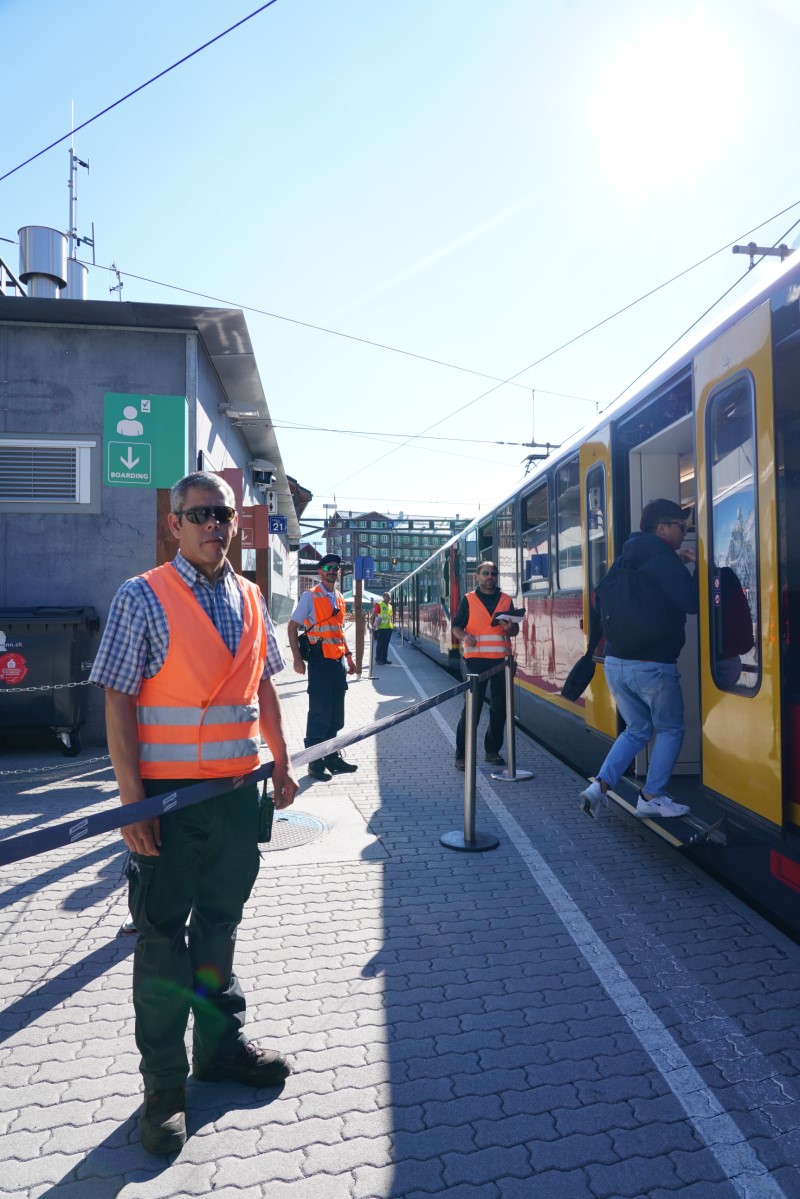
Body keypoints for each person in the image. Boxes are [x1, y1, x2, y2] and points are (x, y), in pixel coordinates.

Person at [89, 472, 299, 1157]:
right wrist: (132, 802)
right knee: (160, 941)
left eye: (225, 516)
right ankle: (163, 1088)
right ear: (174, 523)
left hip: (237, 798)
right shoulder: (142, 595)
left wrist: (283, 760)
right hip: (169, 802)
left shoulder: (249, 595)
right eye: (202, 514)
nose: (216, 525)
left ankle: (219, 1051)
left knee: (219, 930)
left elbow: (261, 684)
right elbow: (118, 699)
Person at [580, 498, 698, 821]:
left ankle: (600, 786)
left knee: (637, 728)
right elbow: (692, 600)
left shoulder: (624, 558)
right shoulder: (664, 559)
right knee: (671, 728)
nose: (684, 532)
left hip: (616, 664)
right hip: (652, 666)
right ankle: (652, 796)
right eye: (680, 525)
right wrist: (701, 564)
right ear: (662, 528)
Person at [287, 554, 358, 781]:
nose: (332, 571)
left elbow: (338, 633)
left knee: (336, 715)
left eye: (336, 568)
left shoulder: (339, 598)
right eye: (328, 567)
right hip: (319, 662)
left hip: (337, 663)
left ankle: (331, 757)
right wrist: (297, 658)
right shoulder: (311, 596)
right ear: (320, 571)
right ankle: (314, 763)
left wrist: (349, 658)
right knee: (319, 713)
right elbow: (292, 627)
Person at [452, 561, 519, 770]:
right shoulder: (468, 600)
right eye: (486, 573)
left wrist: (510, 629)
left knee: (499, 710)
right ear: (478, 577)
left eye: (493, 574)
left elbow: (514, 631)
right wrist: (464, 636)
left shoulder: (506, 600)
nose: (490, 577)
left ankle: (492, 751)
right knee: (472, 710)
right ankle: (462, 755)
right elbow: (456, 626)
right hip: (476, 663)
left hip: (502, 663)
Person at [372, 591, 394, 664]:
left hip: (388, 628)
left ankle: (384, 659)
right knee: (380, 644)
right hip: (380, 628)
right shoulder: (379, 605)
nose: (388, 598)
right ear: (384, 597)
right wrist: (374, 625)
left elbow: (390, 616)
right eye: (387, 596)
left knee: (386, 644)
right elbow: (375, 614)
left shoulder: (390, 606)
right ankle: (378, 659)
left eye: (389, 596)